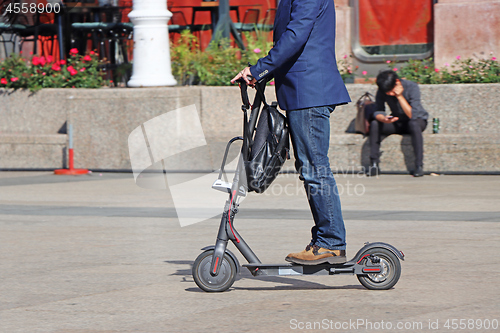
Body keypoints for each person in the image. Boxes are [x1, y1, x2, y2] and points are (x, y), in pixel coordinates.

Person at [231, 0, 351, 264]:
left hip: (310, 91)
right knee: (310, 167)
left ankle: (331, 242)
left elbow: (296, 35)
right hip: (302, 91)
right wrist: (261, 73)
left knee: (314, 167)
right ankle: (327, 239)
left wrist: (258, 69)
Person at [367, 70, 429, 177]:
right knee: (375, 124)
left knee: (413, 124)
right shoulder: (383, 89)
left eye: (390, 91)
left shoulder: (412, 87)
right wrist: (383, 119)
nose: (389, 94)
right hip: (397, 121)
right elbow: (378, 110)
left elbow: (412, 115)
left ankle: (419, 165)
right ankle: (374, 164)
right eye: (387, 92)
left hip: (417, 121)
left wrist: (399, 96)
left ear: (397, 82)